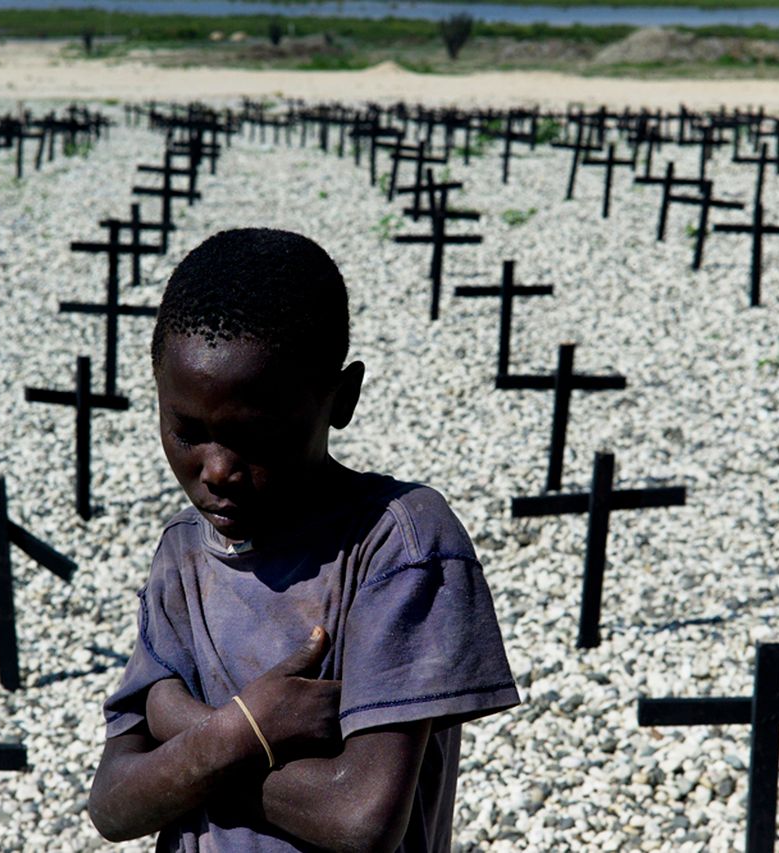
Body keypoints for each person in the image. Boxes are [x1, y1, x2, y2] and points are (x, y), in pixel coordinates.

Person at [88, 228, 519, 852]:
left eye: (253, 437)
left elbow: (360, 818)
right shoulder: (183, 554)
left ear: (341, 399)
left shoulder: (397, 544)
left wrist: (185, 736)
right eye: (188, 431)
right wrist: (248, 729)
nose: (216, 471)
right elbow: (112, 804)